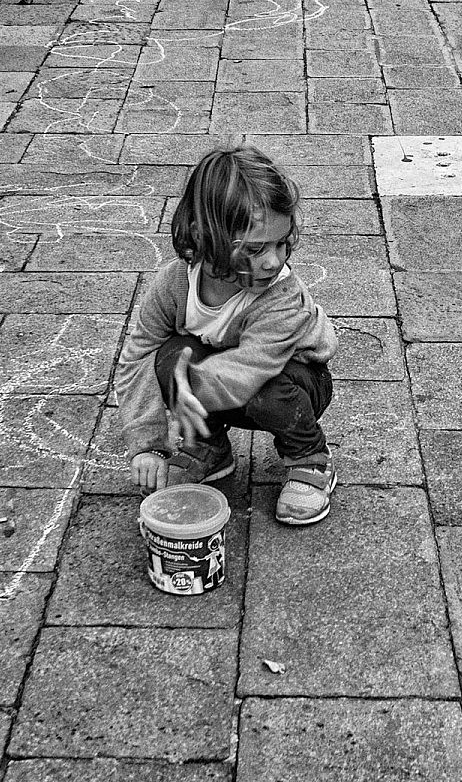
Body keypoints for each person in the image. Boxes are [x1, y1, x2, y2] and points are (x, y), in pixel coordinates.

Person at [116, 143, 339, 525]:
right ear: (206, 238)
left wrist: (193, 387)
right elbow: (139, 354)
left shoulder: (283, 298)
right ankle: (210, 449)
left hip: (296, 382)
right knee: (169, 356)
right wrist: (147, 445)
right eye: (255, 248)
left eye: (282, 243)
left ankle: (310, 458)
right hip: (221, 379)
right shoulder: (174, 285)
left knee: (264, 387)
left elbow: (251, 367)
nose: (274, 261)